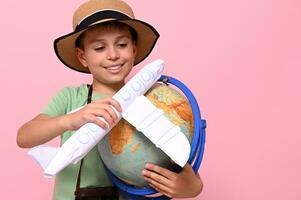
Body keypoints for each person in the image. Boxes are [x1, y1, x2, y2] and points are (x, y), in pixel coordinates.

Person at [17, 0, 203, 199]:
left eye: (121, 45)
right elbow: (24, 137)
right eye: (99, 48)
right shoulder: (71, 98)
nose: (113, 55)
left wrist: (192, 187)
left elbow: (180, 157)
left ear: (134, 49)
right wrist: (69, 120)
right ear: (82, 56)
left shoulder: (153, 99)